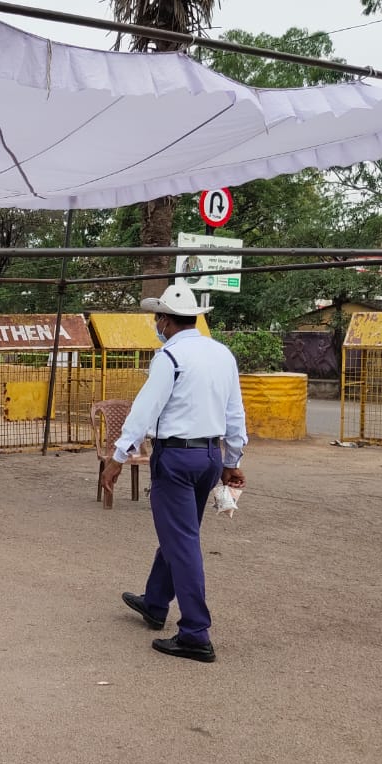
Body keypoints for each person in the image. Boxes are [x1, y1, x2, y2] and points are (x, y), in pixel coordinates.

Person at [100, 282, 247, 664]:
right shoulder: (222, 354)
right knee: (179, 532)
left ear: (165, 319)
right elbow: (234, 412)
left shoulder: (169, 357)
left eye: (157, 317)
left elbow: (145, 409)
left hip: (177, 459)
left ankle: (196, 632)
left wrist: (118, 456)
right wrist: (232, 459)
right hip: (210, 456)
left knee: (182, 541)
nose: (156, 323)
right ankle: (154, 602)